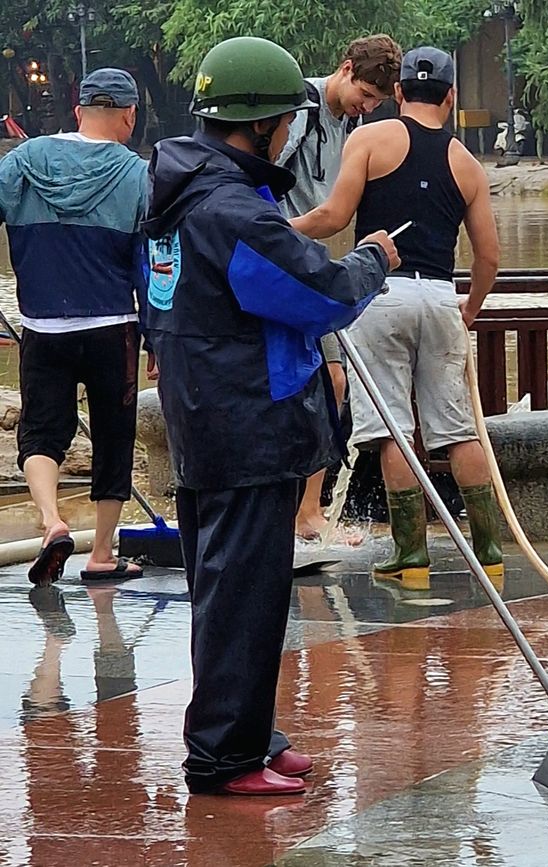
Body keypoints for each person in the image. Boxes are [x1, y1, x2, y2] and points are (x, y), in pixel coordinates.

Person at [143, 36, 399, 796]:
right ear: (259, 125)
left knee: (236, 589)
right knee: (241, 595)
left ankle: (251, 730)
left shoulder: (178, 193)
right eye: (286, 120)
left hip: (206, 414)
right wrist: (373, 262)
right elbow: (318, 292)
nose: (292, 131)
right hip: (245, 421)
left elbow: (160, 305)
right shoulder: (230, 211)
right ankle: (224, 757)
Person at [292, 46, 505, 593]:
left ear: (401, 93)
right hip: (439, 298)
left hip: (380, 295)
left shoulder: (368, 139)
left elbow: (333, 217)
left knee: (395, 432)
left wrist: (271, 232)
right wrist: (471, 309)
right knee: (458, 432)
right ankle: (489, 550)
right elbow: (488, 257)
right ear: (452, 96)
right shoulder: (468, 163)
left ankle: (410, 554)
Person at [0, 68, 149, 586]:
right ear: (130, 115)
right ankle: (102, 555)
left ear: (77, 107)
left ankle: (51, 523)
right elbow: (150, 262)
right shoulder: (137, 175)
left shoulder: (21, 161)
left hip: (43, 327)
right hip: (114, 327)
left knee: (40, 432)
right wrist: (156, 333)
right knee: (113, 439)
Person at [277, 34, 402, 540]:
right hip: (282, 257)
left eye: (375, 102)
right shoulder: (298, 109)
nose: (367, 107)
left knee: (334, 381)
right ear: (346, 68)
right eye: (365, 95)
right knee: (298, 382)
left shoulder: (353, 124)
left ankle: (309, 506)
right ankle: (288, 504)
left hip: (315, 262)